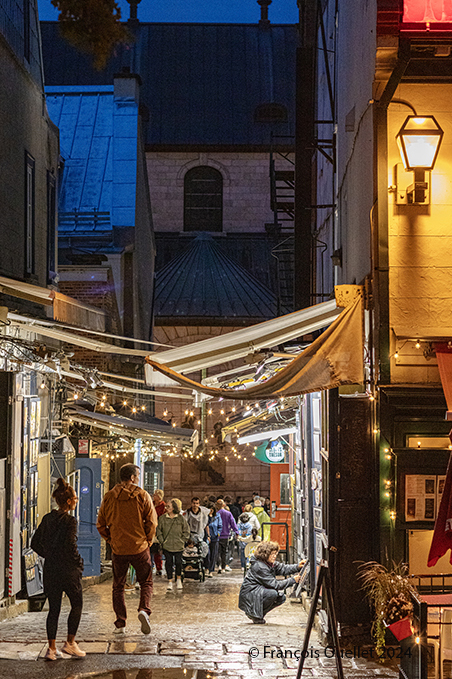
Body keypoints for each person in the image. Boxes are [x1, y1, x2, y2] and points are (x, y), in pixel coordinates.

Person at [97, 463, 157, 635]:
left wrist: (111, 539)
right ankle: (144, 610)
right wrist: (148, 540)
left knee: (118, 586)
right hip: (139, 547)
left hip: (119, 549)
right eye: (137, 476)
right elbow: (152, 522)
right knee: (146, 581)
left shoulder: (109, 497)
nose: (138, 479)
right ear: (132, 477)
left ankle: (120, 623)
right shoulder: (142, 496)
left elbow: (100, 523)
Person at [31, 478, 85, 660]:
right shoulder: (70, 521)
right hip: (68, 569)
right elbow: (71, 545)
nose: (76, 501)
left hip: (51, 569)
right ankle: (70, 643)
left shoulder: (47, 518)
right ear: (69, 501)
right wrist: (78, 562)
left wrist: (48, 555)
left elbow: (34, 543)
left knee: (54, 609)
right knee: (77, 604)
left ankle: (52, 649)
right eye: (75, 499)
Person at [238, 540, 305, 623]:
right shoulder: (260, 567)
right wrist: (292, 580)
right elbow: (275, 585)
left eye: (275, 554)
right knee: (272, 594)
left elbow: (283, 568)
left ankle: (258, 615)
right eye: (272, 554)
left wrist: (297, 566)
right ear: (265, 554)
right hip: (251, 595)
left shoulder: (267, 563)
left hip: (256, 592)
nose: (274, 556)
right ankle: (254, 614)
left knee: (280, 597)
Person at [156, 498, 190, 591]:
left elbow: (186, 530)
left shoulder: (180, 518)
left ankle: (178, 579)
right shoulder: (162, 518)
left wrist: (182, 540)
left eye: (168, 506)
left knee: (179, 562)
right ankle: (170, 581)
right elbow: (158, 530)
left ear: (174, 507)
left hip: (178, 545)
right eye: (166, 506)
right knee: (169, 563)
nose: (166, 508)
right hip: (167, 545)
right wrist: (162, 541)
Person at [216, 499, 238, 573]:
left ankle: (218, 565)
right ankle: (223, 567)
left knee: (217, 551)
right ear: (224, 505)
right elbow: (233, 523)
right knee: (224, 552)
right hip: (226, 535)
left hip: (217, 535)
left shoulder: (216, 514)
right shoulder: (228, 513)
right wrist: (236, 531)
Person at [150, 489, 166, 576]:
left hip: (158, 529)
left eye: (155, 494)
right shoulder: (151, 504)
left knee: (157, 551)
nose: (153, 496)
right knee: (149, 549)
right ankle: (150, 566)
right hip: (151, 529)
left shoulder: (163, 506)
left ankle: (159, 568)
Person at [206, 502, 222, 577]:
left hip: (215, 537)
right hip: (207, 536)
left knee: (213, 554)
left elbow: (220, 526)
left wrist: (218, 533)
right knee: (207, 553)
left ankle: (211, 570)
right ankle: (206, 568)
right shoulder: (205, 516)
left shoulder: (217, 516)